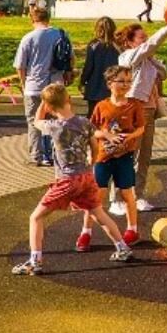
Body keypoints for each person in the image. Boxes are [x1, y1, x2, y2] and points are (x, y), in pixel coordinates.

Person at [15, 84, 132, 274]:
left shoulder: (53, 126)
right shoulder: (84, 122)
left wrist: (42, 104)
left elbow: (36, 121)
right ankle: (122, 248)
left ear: (49, 107)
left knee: (36, 217)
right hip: (86, 176)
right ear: (69, 99)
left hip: (67, 179)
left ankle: (35, 261)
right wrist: (92, 161)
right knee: (98, 213)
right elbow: (94, 145)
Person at [82, 66, 149, 247]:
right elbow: (92, 131)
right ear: (110, 83)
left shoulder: (134, 105)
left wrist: (130, 136)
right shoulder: (101, 106)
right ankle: (86, 232)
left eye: (128, 81)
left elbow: (141, 128)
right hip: (103, 157)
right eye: (121, 81)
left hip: (124, 156)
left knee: (127, 193)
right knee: (96, 195)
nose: (126, 85)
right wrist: (107, 135)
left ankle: (132, 229)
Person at [115, 21, 167, 205]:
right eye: (141, 38)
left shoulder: (147, 60)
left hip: (149, 111)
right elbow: (151, 45)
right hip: (132, 109)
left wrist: (152, 59)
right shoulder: (127, 57)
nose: (146, 40)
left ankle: (137, 196)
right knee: (128, 154)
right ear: (129, 42)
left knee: (144, 157)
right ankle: (118, 199)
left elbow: (163, 73)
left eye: (146, 37)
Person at [13, 6, 66, 165]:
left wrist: (24, 84)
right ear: (48, 18)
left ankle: (37, 155)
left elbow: (20, 66)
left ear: (33, 20)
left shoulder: (28, 38)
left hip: (34, 85)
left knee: (34, 121)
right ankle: (55, 154)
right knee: (56, 120)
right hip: (56, 85)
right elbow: (70, 59)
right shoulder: (61, 35)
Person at [78, 16, 122, 113]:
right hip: (112, 86)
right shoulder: (118, 47)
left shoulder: (93, 45)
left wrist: (82, 81)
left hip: (94, 86)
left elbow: (88, 67)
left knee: (93, 113)